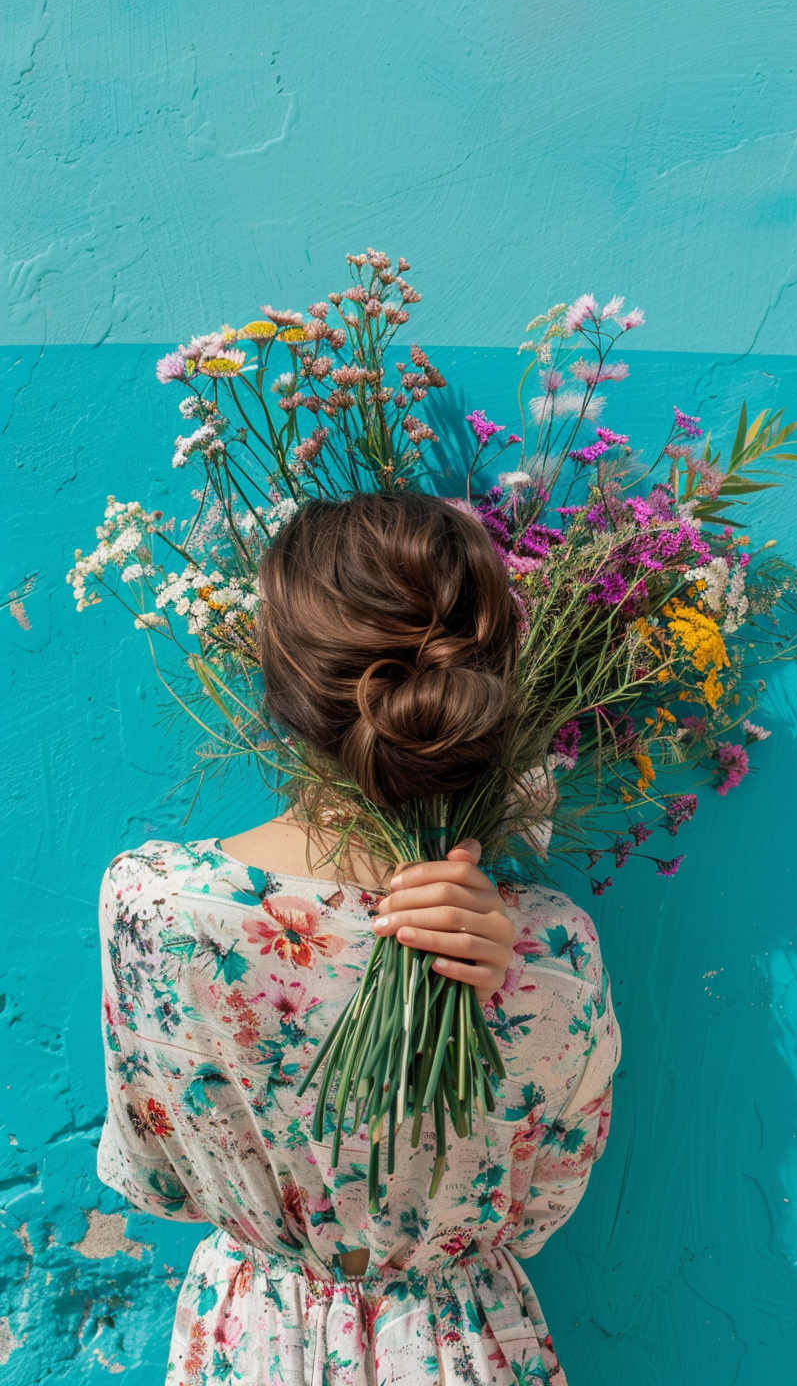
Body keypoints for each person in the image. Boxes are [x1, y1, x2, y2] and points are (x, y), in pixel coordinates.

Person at [97, 492, 620, 1386]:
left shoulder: (155, 905)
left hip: (253, 1338)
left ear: (277, 678)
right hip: (467, 1345)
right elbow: (542, 1207)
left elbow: (161, 1179)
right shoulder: (551, 950)